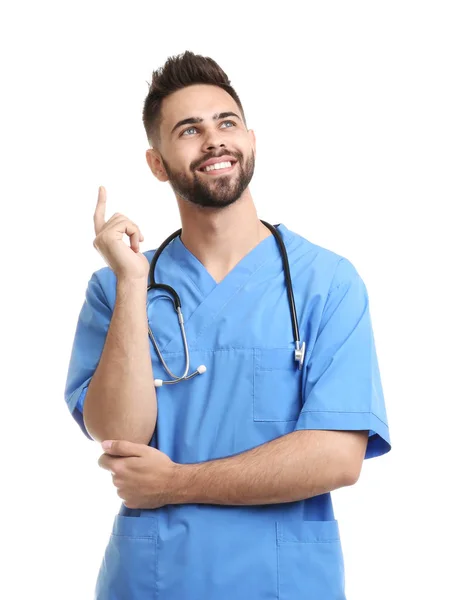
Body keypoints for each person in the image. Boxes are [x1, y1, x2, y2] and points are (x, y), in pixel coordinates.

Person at [64, 50, 391, 600]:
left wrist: (175, 484)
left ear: (252, 141)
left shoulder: (326, 284)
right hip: (154, 582)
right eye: (189, 130)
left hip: (285, 585)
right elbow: (119, 433)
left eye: (227, 123)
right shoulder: (119, 291)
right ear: (158, 163)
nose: (214, 140)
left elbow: (337, 456)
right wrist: (128, 284)